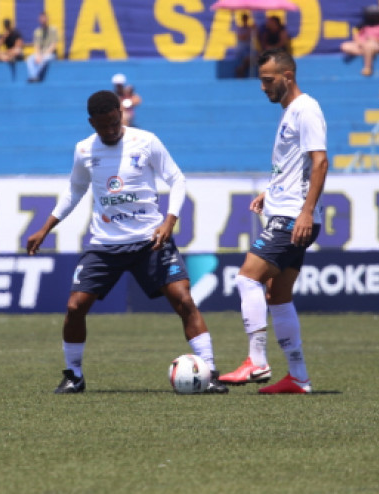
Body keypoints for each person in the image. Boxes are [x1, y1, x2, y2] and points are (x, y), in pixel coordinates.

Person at [25, 90, 228, 395]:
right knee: (75, 307)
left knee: (184, 300)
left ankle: (209, 372)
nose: (109, 130)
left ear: (121, 114)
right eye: (102, 125)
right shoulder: (84, 150)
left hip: (150, 241)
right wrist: (45, 227)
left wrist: (169, 221)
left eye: (114, 122)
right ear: (91, 122)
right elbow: (74, 191)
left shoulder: (146, 141)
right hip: (105, 244)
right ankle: (74, 375)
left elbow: (177, 179)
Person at [218, 48, 329, 394]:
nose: (263, 87)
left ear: (288, 77)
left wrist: (306, 212)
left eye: (268, 81)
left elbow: (320, 162)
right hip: (286, 210)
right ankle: (298, 376)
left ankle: (257, 360)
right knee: (277, 295)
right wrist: (271, 191)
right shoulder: (290, 112)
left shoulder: (306, 109)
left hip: (293, 217)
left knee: (246, 279)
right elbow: (295, 166)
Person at [340, 5, 379, 77]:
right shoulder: (364, 26)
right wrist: (359, 42)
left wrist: (374, 39)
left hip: (375, 45)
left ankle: (367, 68)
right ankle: (367, 54)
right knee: (345, 46)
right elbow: (356, 36)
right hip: (362, 46)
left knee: (368, 46)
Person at [26, 12, 60, 83]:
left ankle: (35, 76)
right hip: (41, 53)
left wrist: (44, 55)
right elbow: (37, 46)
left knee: (44, 58)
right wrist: (38, 55)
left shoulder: (53, 30)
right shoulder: (37, 31)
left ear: (47, 19)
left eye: (44, 18)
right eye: (41, 18)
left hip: (50, 54)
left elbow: (53, 45)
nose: (43, 20)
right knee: (29, 59)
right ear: (39, 20)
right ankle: (33, 76)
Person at [234, 12, 255, 78]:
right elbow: (242, 37)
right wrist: (250, 31)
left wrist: (254, 29)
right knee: (247, 58)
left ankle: (241, 69)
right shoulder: (240, 28)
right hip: (242, 48)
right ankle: (241, 69)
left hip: (249, 48)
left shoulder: (250, 28)